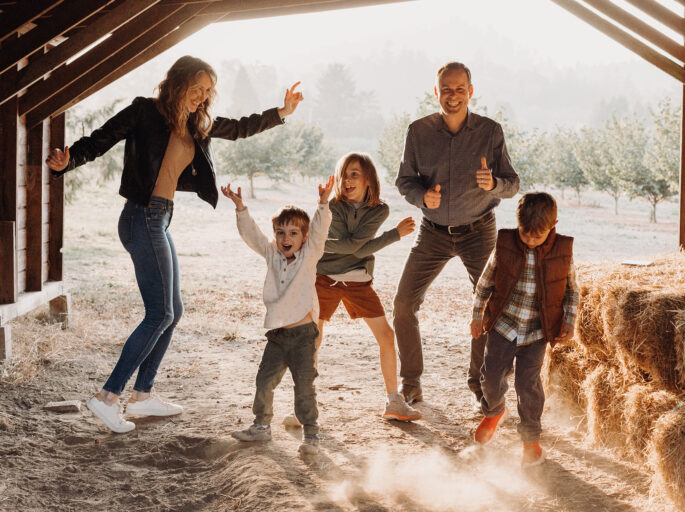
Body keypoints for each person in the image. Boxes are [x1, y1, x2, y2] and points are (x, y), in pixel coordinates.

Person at [45, 55, 304, 434]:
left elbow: (239, 127)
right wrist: (67, 162)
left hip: (160, 218)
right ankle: (107, 398)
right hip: (141, 215)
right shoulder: (144, 111)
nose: (202, 96)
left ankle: (142, 395)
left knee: (172, 310)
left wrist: (281, 112)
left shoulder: (198, 125)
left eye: (207, 91)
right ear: (177, 83)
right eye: (196, 87)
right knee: (159, 312)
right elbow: (101, 140)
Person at [393, 61, 520, 407]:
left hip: (479, 231)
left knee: (491, 305)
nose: (452, 96)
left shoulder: (490, 132)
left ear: (470, 92)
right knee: (403, 304)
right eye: (446, 89)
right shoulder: (418, 132)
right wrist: (422, 197)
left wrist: (493, 184)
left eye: (459, 89)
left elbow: (513, 183)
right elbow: (404, 180)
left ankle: (481, 384)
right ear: (436, 92)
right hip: (432, 232)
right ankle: (411, 383)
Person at [223, 178, 333, 456]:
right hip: (278, 336)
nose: (286, 239)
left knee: (304, 387)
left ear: (303, 238)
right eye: (280, 232)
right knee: (264, 382)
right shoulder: (272, 254)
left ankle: (311, 435)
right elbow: (253, 236)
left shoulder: (310, 256)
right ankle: (261, 427)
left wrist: (322, 203)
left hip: (303, 336)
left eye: (293, 233)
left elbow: (320, 231)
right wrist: (240, 208)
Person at [469, 192, 579, 468]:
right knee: (490, 377)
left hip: (537, 332)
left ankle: (531, 441)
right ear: (517, 224)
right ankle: (494, 411)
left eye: (537, 236)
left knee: (527, 385)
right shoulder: (505, 244)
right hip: (503, 326)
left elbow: (572, 291)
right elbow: (484, 284)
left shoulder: (562, 252)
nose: (529, 240)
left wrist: (569, 321)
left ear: (553, 226)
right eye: (524, 234)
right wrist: (476, 316)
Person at [314, 152, 421, 421]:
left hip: (358, 280)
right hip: (323, 278)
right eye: (344, 174)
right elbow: (350, 246)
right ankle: (305, 401)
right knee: (312, 338)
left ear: (368, 179)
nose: (347, 180)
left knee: (386, 336)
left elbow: (351, 245)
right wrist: (394, 235)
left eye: (354, 174)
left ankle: (394, 402)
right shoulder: (333, 206)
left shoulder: (379, 210)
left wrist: (339, 246)